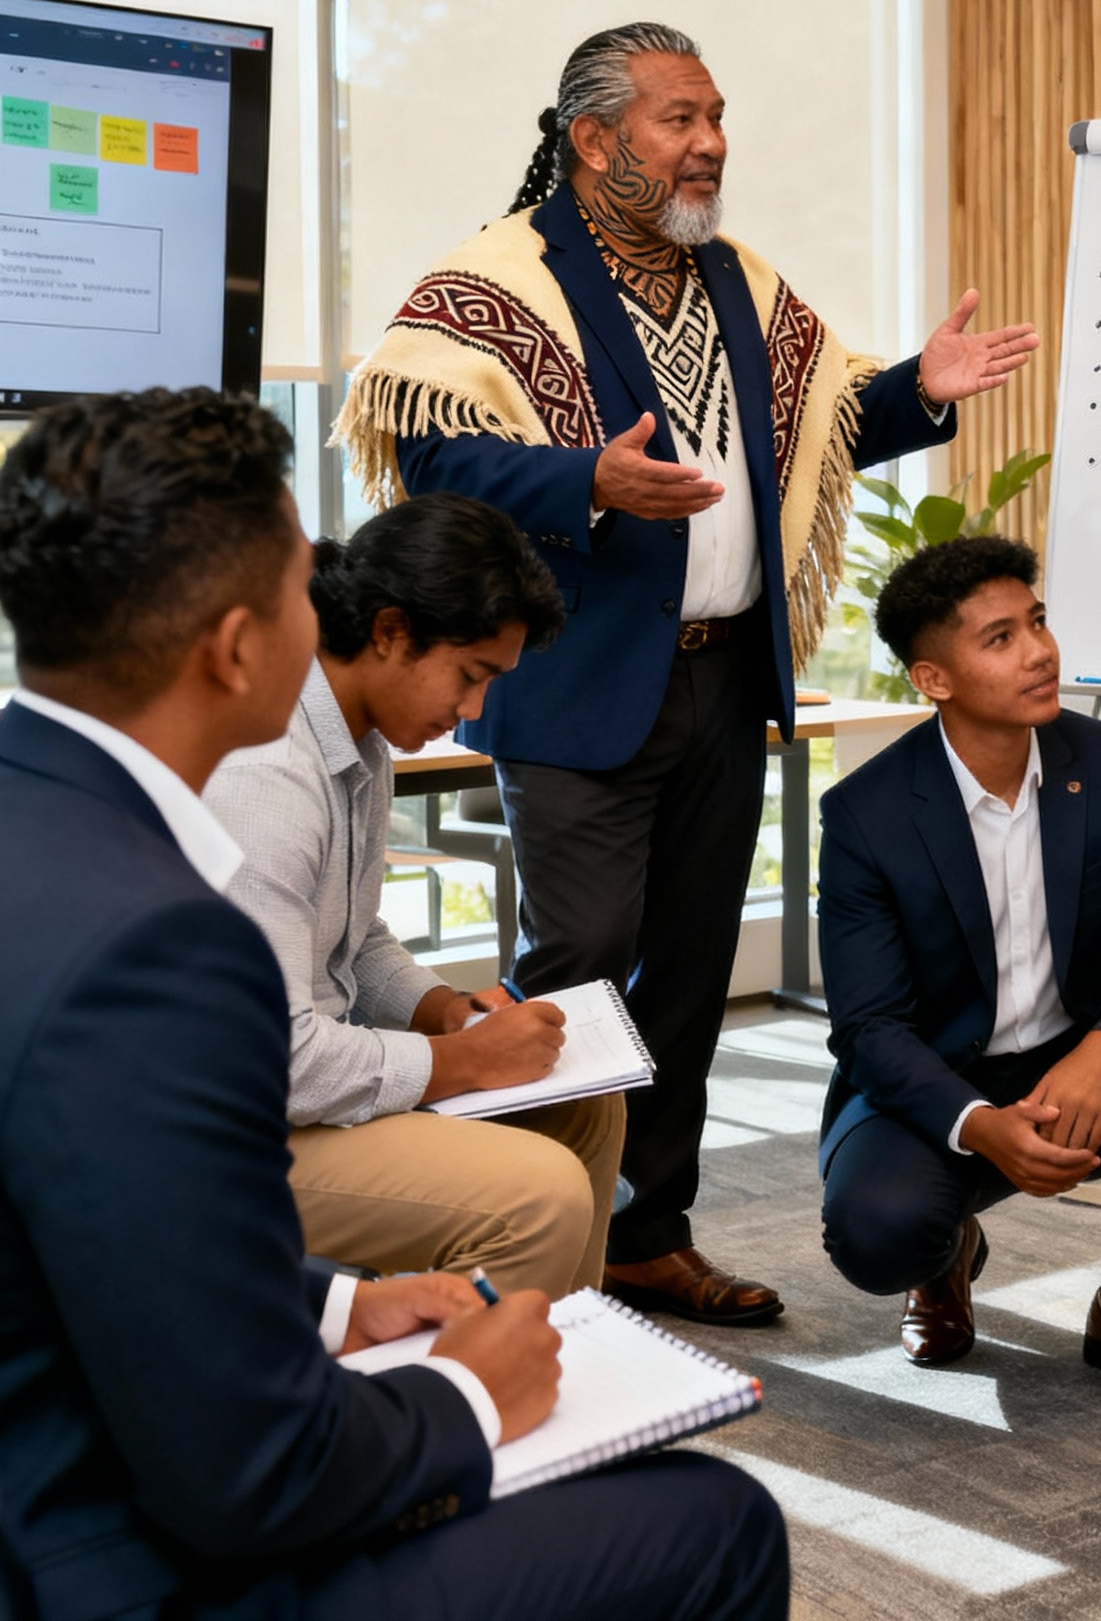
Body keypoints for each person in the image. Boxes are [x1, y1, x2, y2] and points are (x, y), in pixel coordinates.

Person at [0, 387, 786, 1620]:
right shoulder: (160, 941)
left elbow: (123, 1226)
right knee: (724, 1519)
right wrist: (463, 1403)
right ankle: (524, 1436)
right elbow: (246, 1471)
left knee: (576, 1142)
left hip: (104, 1435)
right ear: (233, 639)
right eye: (293, 580)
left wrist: (338, 1299)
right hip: (110, 1552)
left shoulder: (41, 815)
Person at [337, 22, 1037, 1327]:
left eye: (715, 115)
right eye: (677, 119)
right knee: (581, 964)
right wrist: (579, 479)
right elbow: (430, 457)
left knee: (691, 975)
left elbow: (814, 432)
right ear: (593, 137)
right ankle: (534, 1228)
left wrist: (919, 395)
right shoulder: (499, 284)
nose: (709, 142)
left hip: (727, 684)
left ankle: (647, 1235)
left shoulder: (738, 279)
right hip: (582, 690)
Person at [814, 536, 1101, 1417]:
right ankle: (944, 1253)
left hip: (1079, 1055)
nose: (1040, 651)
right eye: (999, 638)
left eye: (1037, 622)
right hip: (939, 1080)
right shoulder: (865, 815)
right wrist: (980, 1124)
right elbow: (870, 1028)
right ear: (934, 680)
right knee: (881, 1234)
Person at [206, 492, 627, 1300]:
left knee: (587, 1110)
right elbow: (277, 1062)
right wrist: (460, 1061)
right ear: (391, 631)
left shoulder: (357, 730)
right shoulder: (265, 776)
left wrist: (441, 1010)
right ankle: (446, 1416)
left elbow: (353, 937)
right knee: (539, 1195)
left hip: (300, 1091)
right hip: (229, 1131)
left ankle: (556, 1367)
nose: (472, 712)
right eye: (471, 677)